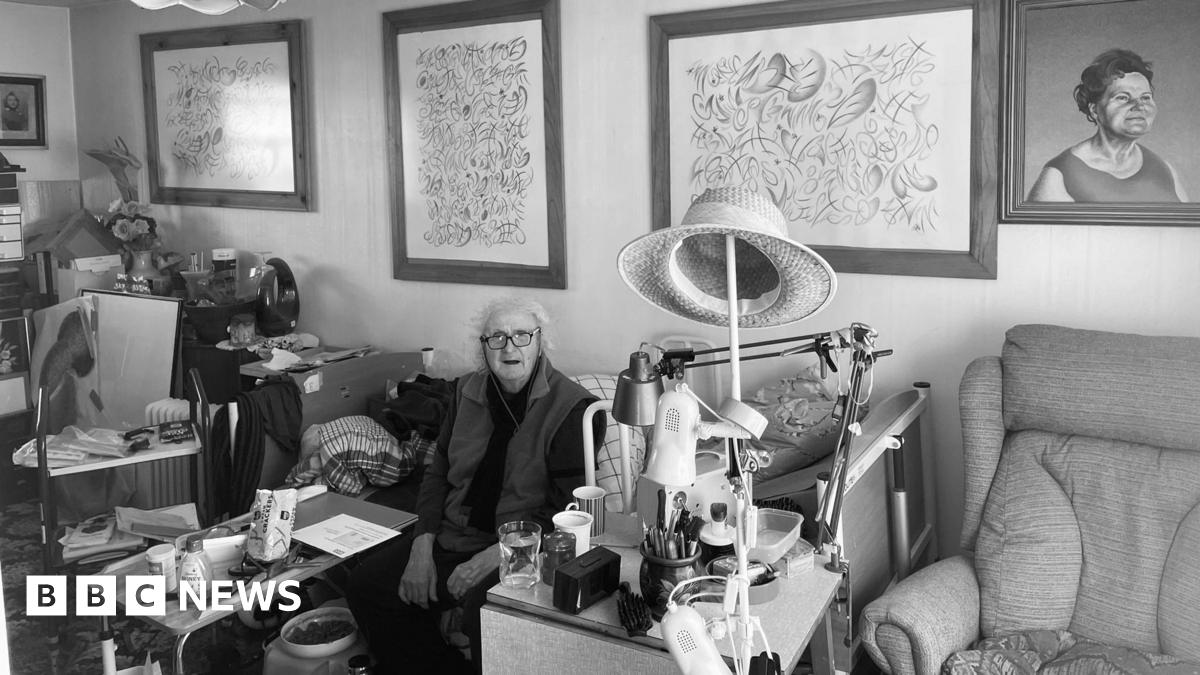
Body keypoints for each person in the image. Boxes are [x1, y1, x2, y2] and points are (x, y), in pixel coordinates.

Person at [346, 297, 605, 673]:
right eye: (496, 337)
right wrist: (422, 547)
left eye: (521, 336)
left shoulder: (571, 408)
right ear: (483, 347)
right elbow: (437, 474)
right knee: (367, 585)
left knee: (482, 614)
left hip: (522, 547)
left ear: (540, 342)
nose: (509, 347)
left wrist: (492, 558)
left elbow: (567, 514)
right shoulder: (465, 392)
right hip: (453, 534)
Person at [1028, 49, 1187, 203]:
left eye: (1145, 98)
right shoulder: (1059, 176)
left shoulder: (1165, 170)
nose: (1139, 106)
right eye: (1123, 98)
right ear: (1094, 110)